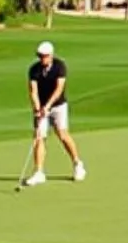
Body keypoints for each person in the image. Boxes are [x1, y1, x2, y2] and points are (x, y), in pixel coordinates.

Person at [25, 41, 86, 185]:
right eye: (40, 56)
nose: (42, 59)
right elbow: (33, 91)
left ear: (51, 55)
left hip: (58, 106)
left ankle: (77, 164)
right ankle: (39, 172)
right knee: (39, 137)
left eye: (45, 56)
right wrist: (38, 108)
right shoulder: (34, 69)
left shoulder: (60, 66)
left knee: (62, 134)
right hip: (41, 108)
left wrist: (48, 106)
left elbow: (59, 89)